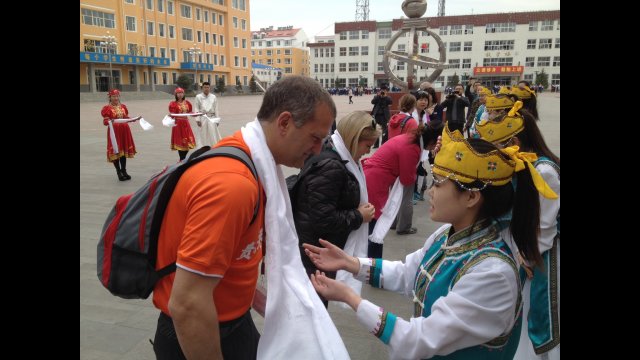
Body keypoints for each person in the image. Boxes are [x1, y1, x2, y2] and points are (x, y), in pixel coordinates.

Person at [304, 124, 558, 360]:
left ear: (471, 197)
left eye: (438, 183)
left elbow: (417, 339)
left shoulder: (492, 273)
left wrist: (351, 298)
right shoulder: (447, 235)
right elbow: (407, 273)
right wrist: (350, 263)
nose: (429, 191)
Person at [152, 75, 350, 360]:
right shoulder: (232, 185)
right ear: (284, 123)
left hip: (232, 321)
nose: (319, 150)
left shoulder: (253, 162)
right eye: (315, 137)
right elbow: (188, 304)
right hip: (202, 333)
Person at [475, 102, 560, 360]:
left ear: (514, 140)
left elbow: (545, 226)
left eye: (499, 146)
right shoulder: (522, 164)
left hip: (540, 252)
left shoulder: (544, 170)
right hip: (522, 246)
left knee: (540, 310)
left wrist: (527, 255)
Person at [292, 111, 379, 307]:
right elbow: (322, 219)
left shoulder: (337, 157)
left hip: (315, 250)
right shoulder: (331, 167)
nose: (368, 151)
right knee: (314, 309)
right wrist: (358, 215)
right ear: (354, 140)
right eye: (367, 145)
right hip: (315, 253)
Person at [363, 123, 443, 257]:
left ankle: (371, 258)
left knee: (373, 223)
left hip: (373, 176)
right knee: (374, 226)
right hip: (376, 181)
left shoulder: (411, 138)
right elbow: (407, 179)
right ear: (432, 141)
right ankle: (372, 261)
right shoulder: (412, 148)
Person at [101, 89, 138, 181]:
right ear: (110, 97)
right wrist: (109, 121)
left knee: (123, 152)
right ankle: (118, 172)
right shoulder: (107, 108)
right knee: (116, 151)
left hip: (124, 131)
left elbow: (125, 118)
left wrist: (133, 119)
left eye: (117, 96)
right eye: (113, 96)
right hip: (114, 132)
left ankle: (124, 170)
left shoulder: (123, 107)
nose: (116, 98)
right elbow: (105, 122)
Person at [169, 87, 196, 161]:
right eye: (178, 93)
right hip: (178, 124)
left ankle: (182, 159)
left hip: (186, 124)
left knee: (187, 143)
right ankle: (182, 159)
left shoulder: (187, 103)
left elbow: (190, 112)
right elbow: (172, 115)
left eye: (181, 93)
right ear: (176, 94)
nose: (180, 95)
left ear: (183, 94)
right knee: (180, 142)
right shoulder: (173, 104)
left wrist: (196, 114)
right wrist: (170, 116)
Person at [194, 81, 220, 147]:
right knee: (203, 134)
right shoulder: (198, 97)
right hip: (203, 117)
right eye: (205, 87)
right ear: (202, 88)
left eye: (208, 87)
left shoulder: (213, 97)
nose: (206, 89)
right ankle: (202, 148)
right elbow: (196, 108)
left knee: (213, 134)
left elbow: (216, 108)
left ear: (209, 88)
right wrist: (198, 120)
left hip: (212, 117)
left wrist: (217, 119)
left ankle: (214, 147)